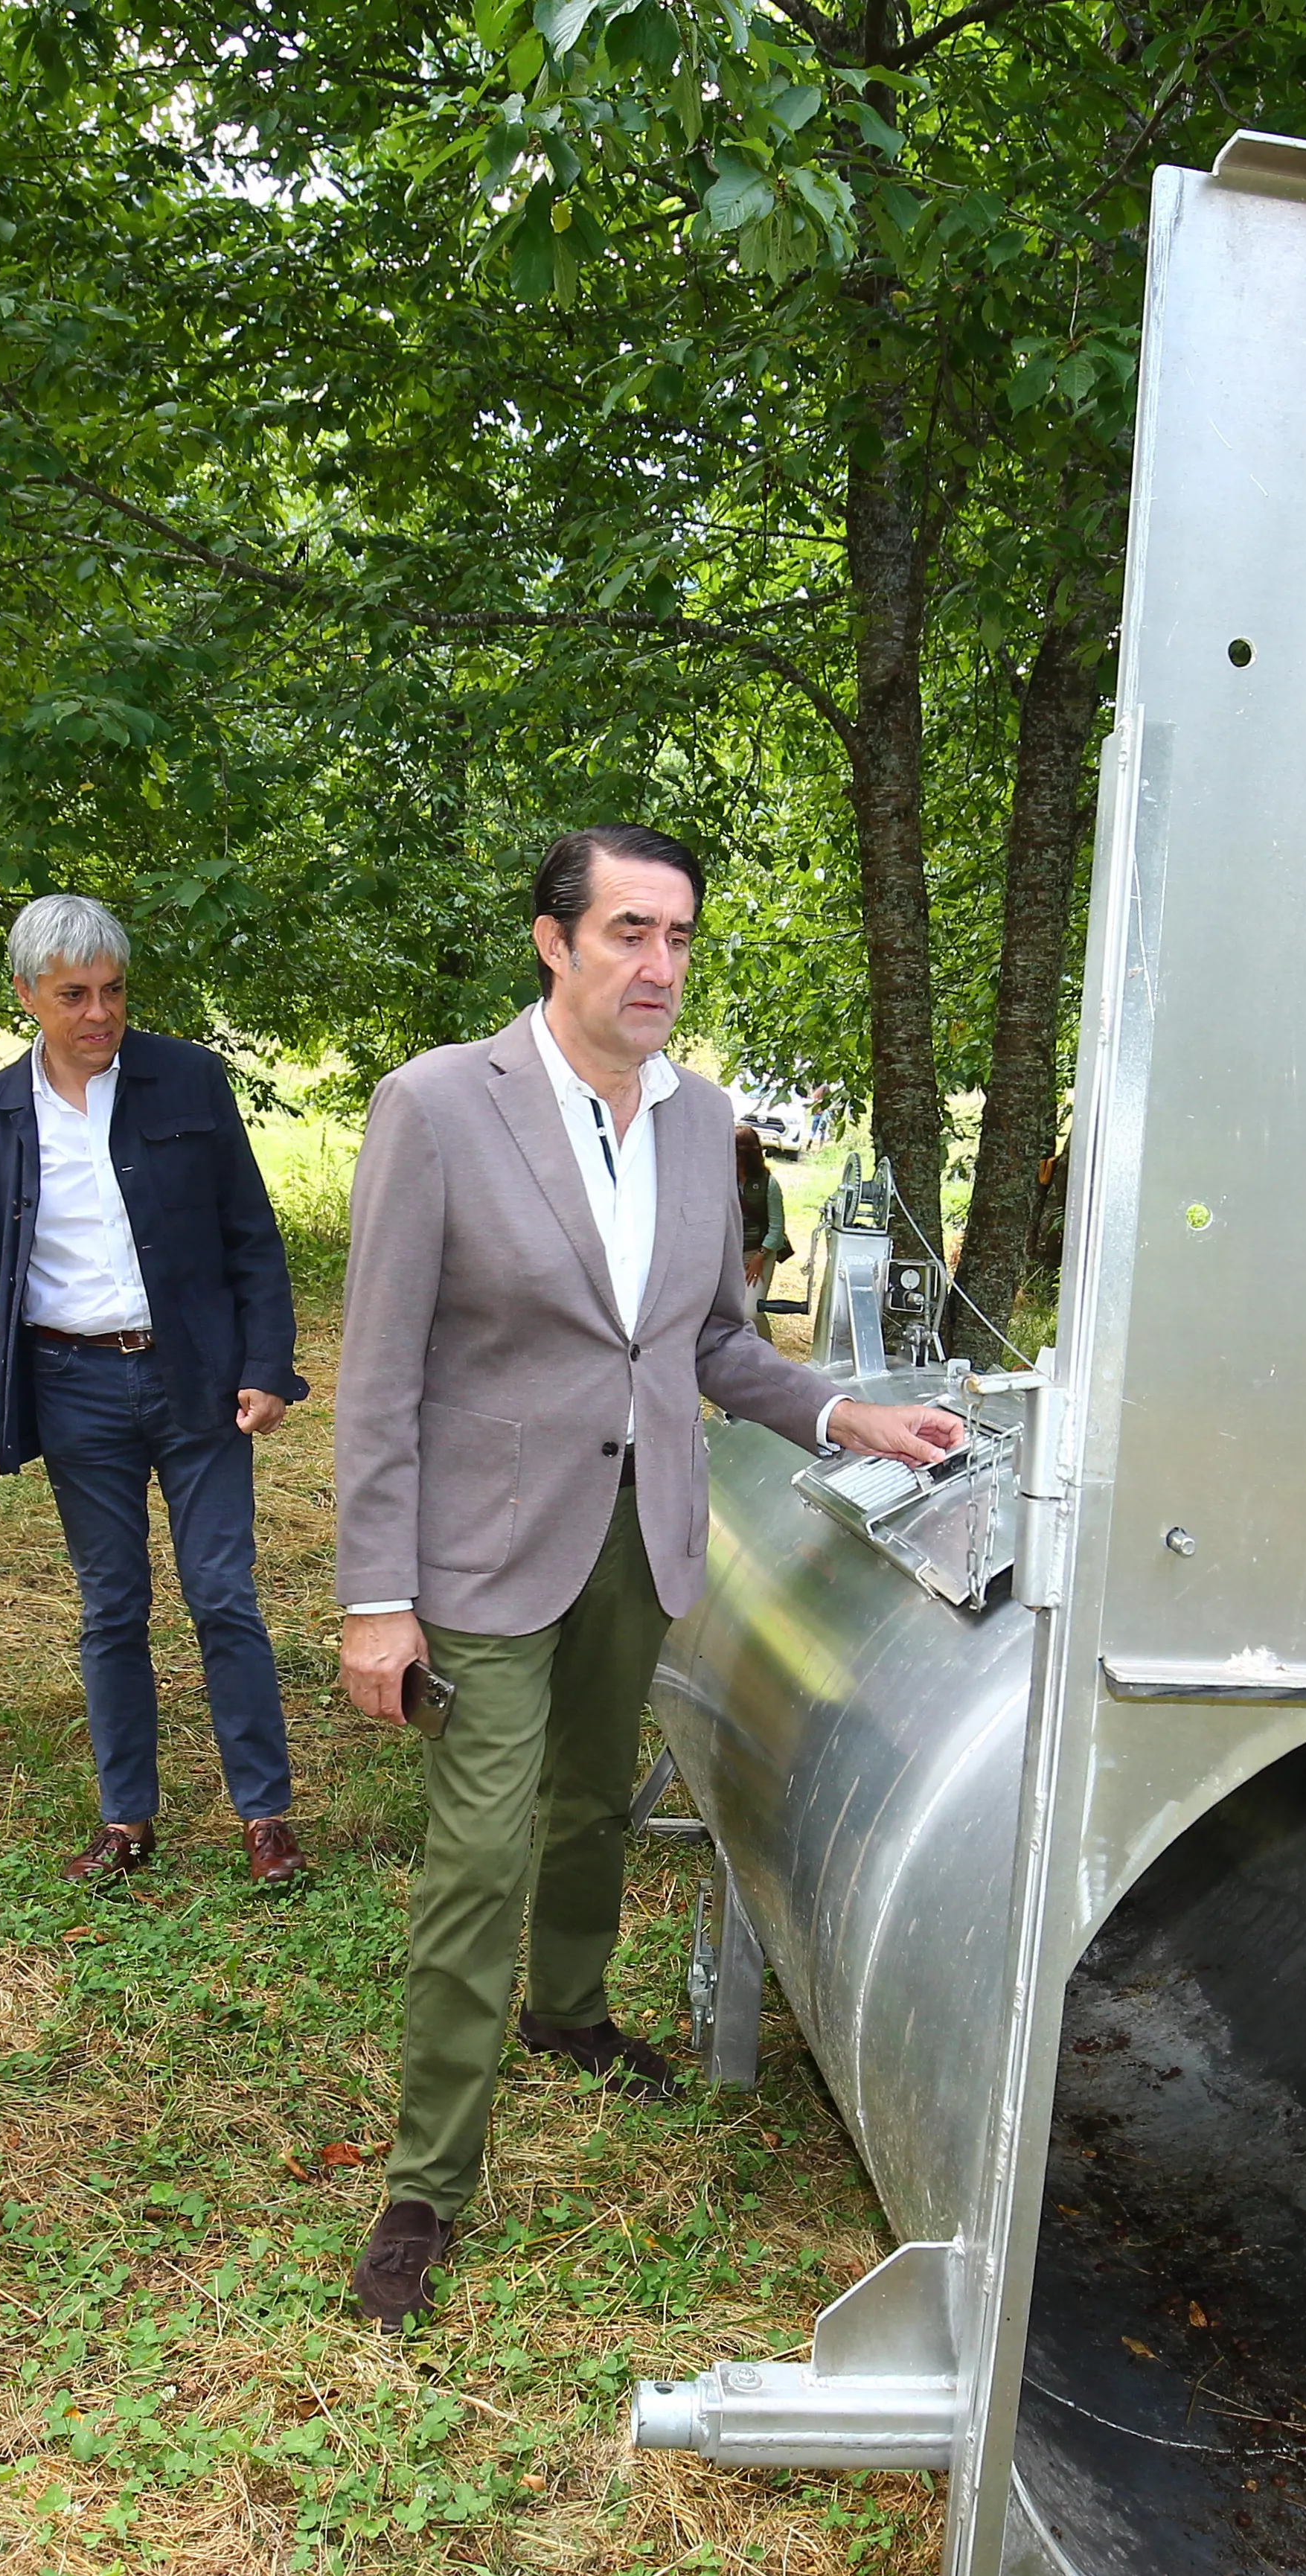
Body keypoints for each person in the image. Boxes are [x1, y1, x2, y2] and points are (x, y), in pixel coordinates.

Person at [331, 826, 963, 2330]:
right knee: (479, 1849)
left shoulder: (702, 1121)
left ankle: (567, 2005)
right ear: (551, 942)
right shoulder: (436, 1106)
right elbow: (377, 1374)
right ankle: (425, 2181)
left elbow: (704, 1342)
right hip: (482, 1547)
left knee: (594, 1795)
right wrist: (375, 1595)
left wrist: (839, 1409)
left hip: (641, 1526)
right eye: (627, 932)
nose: (658, 966)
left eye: (678, 937)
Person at [0, 894, 312, 1886]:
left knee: (223, 1594)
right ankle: (126, 1816)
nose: (99, 1012)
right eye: (73, 994)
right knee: (111, 1605)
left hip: (194, 1377)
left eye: (112, 990)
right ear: (25, 996)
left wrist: (267, 1364)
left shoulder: (186, 1079)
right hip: (72, 1385)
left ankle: (264, 1814)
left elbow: (249, 1234)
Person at [733, 1119, 789, 1331]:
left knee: (751, 1311)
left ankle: (766, 1356)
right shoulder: (723, 1179)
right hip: (729, 1254)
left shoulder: (768, 1184)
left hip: (758, 1253)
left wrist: (760, 1256)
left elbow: (777, 1229)